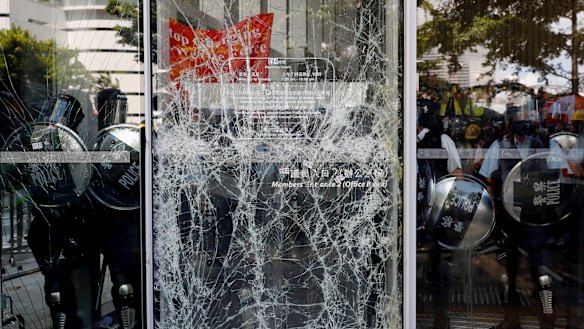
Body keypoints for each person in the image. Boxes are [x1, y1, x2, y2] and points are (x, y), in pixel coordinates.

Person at [478, 102, 556, 329]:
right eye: (517, 122)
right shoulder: (499, 146)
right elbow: (490, 178)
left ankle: (544, 305)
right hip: (510, 210)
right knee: (510, 256)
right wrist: (495, 207)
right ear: (510, 125)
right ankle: (510, 303)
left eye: (525, 121)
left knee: (537, 256)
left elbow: (553, 173)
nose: (522, 126)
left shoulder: (540, 144)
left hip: (534, 210)